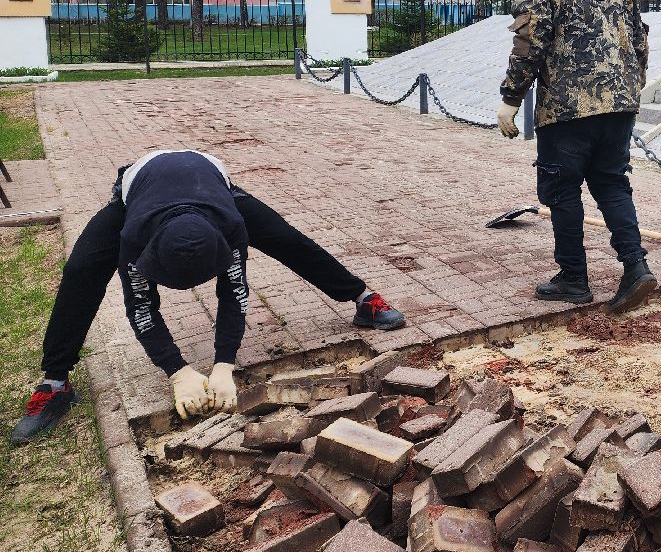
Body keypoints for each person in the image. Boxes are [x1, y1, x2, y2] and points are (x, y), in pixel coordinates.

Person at [11, 149, 406, 444]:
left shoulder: (231, 226)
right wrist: (177, 371)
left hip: (211, 185)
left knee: (288, 239)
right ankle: (55, 384)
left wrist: (223, 365)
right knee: (81, 270)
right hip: (139, 191)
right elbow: (140, 305)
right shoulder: (131, 235)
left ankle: (363, 299)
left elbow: (234, 294)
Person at [496, 0, 657, 315]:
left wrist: (510, 99)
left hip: (567, 111)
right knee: (613, 185)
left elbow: (531, 41)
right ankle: (636, 267)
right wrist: (628, 92)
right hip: (619, 106)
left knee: (561, 190)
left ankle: (573, 278)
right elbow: (640, 43)